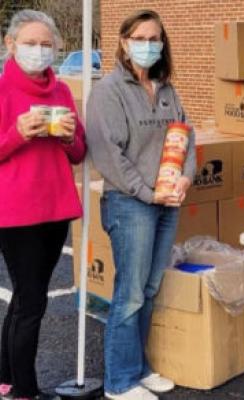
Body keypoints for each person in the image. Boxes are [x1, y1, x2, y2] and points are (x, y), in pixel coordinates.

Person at [86, 10, 196, 400]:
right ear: (124, 41)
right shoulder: (108, 92)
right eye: (140, 37)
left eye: (155, 38)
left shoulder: (167, 89)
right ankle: (119, 382)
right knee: (130, 293)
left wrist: (185, 177)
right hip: (131, 204)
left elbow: (187, 135)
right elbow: (109, 157)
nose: (148, 45)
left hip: (168, 201)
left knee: (149, 289)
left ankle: (140, 368)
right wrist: (150, 194)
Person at [0, 10, 85, 400]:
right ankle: (25, 390)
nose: (38, 51)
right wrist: (17, 133)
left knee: (24, 297)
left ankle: (5, 375)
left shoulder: (62, 91)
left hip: (56, 210)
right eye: (30, 43)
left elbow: (80, 152)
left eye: (46, 44)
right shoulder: (2, 91)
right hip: (16, 215)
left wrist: (68, 137)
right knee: (32, 302)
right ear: (10, 44)